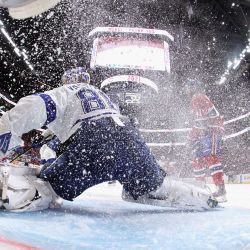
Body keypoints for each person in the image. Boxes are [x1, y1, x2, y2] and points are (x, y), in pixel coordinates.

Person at [0, 68, 218, 212]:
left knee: (47, 185)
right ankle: (203, 198)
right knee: (153, 188)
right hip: (130, 140)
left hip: (93, 146)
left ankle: (10, 195)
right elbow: (105, 121)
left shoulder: (63, 92)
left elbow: (27, 112)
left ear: (66, 82)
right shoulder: (104, 96)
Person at [186, 79, 227, 202]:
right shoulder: (196, 99)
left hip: (213, 130)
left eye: (189, 87)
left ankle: (221, 190)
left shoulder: (198, 98)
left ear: (194, 87)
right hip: (205, 133)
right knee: (197, 159)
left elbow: (201, 122)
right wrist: (192, 137)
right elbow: (199, 122)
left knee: (211, 157)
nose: (186, 90)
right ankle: (201, 189)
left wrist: (191, 138)